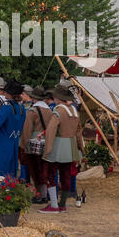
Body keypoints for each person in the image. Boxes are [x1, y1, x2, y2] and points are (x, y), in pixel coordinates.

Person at [38, 84, 84, 214]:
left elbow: (52, 130)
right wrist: (81, 148)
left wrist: (48, 149)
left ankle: (53, 205)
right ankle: (62, 204)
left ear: (58, 97)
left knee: (49, 174)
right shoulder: (74, 111)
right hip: (71, 146)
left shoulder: (58, 111)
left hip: (58, 146)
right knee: (66, 175)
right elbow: (79, 132)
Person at [20, 86, 53, 204]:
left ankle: (40, 195)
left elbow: (27, 130)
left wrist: (23, 145)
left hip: (34, 142)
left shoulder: (32, 111)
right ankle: (47, 194)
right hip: (47, 141)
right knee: (45, 170)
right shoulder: (49, 110)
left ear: (34, 97)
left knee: (36, 170)